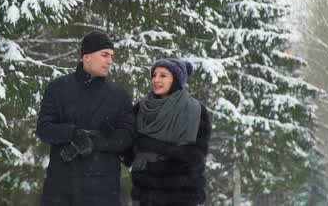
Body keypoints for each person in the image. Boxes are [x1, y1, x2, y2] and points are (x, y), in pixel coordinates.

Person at [36, 31, 135, 206]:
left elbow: (127, 138)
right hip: (61, 189)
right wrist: (72, 133)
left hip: (103, 192)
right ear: (86, 56)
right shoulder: (57, 88)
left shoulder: (119, 96)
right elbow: (44, 129)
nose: (110, 61)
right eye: (104, 55)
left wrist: (97, 141)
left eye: (111, 56)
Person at [126, 58, 211, 206]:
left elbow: (196, 156)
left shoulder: (195, 110)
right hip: (146, 196)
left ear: (176, 80)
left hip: (181, 196)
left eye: (163, 75)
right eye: (154, 75)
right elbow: (128, 152)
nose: (156, 79)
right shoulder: (140, 109)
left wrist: (152, 146)